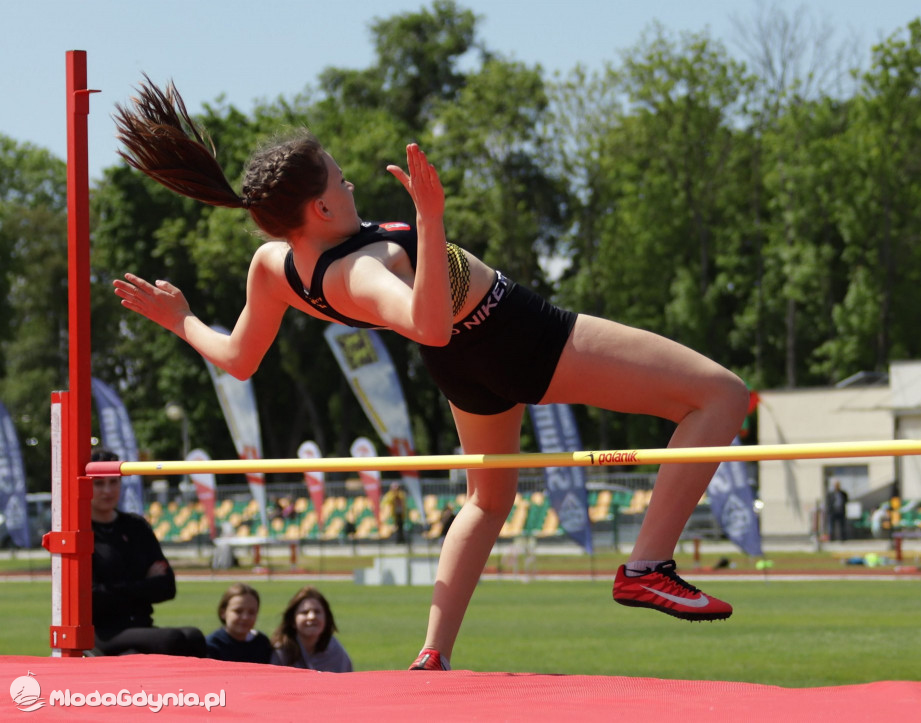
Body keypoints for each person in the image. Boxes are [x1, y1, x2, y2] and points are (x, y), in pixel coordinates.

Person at [111, 78, 749, 672]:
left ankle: (433, 654)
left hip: (463, 370)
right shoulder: (365, 267)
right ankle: (647, 564)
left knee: (489, 498)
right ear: (322, 203)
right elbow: (431, 324)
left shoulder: (275, 264)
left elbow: (239, 360)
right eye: (341, 176)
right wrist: (430, 215)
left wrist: (182, 321)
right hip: (520, 335)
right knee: (720, 394)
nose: (351, 182)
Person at [89, 448, 207, 657]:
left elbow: (167, 587)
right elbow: (95, 598)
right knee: (171, 639)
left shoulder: (136, 526)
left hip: (141, 624)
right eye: (98, 483)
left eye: (114, 482)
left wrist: (119, 589)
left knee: (194, 636)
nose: (107, 490)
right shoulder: (81, 532)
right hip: (104, 631)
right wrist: (144, 584)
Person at [270, 586, 353, 672]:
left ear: (326, 618)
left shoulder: (335, 651)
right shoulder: (281, 652)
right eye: (304, 612)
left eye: (317, 612)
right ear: (292, 620)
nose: (312, 617)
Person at [206, 583, 273, 664]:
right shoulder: (211, 645)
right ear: (223, 613)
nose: (245, 617)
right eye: (238, 611)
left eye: (251, 612)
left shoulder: (262, 643)